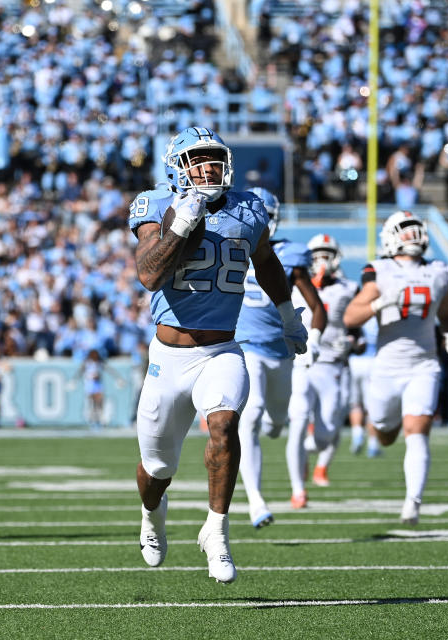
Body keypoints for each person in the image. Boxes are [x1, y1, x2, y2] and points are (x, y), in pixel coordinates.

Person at [129, 127, 309, 584]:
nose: (208, 167)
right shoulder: (155, 203)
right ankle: (152, 518)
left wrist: (287, 314)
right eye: (197, 160)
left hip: (222, 349)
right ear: (177, 167)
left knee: (225, 424)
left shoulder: (247, 208)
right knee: (157, 469)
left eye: (213, 158)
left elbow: (266, 261)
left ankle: (217, 530)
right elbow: (149, 275)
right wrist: (183, 222)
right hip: (168, 357)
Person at [343, 210, 448, 526]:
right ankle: (380, 431)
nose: (410, 236)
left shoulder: (438, 271)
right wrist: (380, 303)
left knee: (418, 431)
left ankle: (413, 502)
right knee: (384, 434)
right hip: (387, 368)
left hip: (424, 364)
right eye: (405, 230)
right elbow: (350, 318)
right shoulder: (379, 270)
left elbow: (446, 311)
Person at [234, 187, 326, 527]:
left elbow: (317, 308)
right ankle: (256, 501)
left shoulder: (289, 254)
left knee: (274, 423)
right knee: (251, 415)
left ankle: (274, 431)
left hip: (281, 352)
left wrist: (313, 339)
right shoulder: (228, 246)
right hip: (245, 345)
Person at [286, 234, 359, 507]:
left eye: (327, 253)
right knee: (298, 423)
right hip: (301, 364)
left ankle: (308, 454)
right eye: (317, 253)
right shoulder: (294, 285)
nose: (322, 259)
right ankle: (298, 490)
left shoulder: (348, 288)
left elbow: (358, 332)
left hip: (333, 366)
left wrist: (353, 342)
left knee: (326, 435)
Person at [348, 315, 383, 458]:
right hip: (373, 361)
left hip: (354, 362)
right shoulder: (378, 314)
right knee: (372, 407)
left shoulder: (357, 311)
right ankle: (373, 444)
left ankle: (357, 435)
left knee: (355, 404)